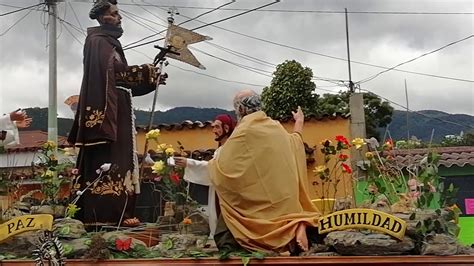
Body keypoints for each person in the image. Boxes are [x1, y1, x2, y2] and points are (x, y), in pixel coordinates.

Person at [68, 0, 158, 227]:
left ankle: (123, 212)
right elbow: (113, 76)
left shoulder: (111, 44)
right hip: (107, 114)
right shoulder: (98, 42)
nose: (119, 18)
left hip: (120, 111)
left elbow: (123, 83)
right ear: (101, 17)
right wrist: (144, 71)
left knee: (121, 161)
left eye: (118, 13)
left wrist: (150, 78)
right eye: (114, 14)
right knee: (110, 162)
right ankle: (106, 216)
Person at [207, 89, 320, 254]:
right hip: (283, 206)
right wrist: (299, 122)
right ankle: (295, 225)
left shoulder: (243, 131)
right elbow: (295, 143)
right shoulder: (276, 127)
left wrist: (211, 165)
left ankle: (291, 228)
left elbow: (224, 168)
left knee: (225, 233)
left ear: (240, 110)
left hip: (256, 215)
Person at [174, 114, 236, 238]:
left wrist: (190, 163)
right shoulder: (221, 149)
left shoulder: (230, 148)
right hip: (218, 191)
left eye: (217, 127)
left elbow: (218, 169)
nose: (214, 131)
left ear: (227, 128)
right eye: (213, 127)